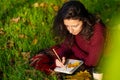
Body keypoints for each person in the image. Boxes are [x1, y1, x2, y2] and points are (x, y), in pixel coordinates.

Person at [30, 0, 106, 76]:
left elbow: (92, 62)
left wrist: (73, 48)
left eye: (75, 26)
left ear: (84, 20)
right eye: (67, 26)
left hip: (105, 57)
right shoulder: (72, 30)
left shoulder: (97, 31)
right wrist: (60, 58)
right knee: (54, 54)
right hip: (84, 56)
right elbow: (66, 45)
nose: (70, 30)